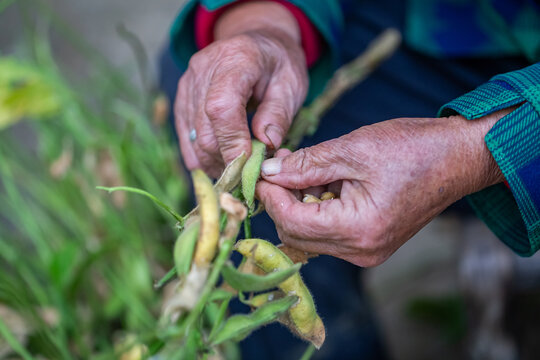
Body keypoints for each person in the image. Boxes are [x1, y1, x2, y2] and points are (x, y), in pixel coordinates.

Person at [159, 0, 540, 357]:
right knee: (213, 89)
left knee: (276, 204)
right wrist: (263, 23)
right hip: (460, 21)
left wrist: (474, 153)